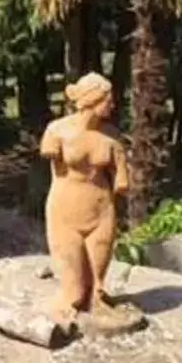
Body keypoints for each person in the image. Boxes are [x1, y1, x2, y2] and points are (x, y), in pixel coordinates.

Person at [39, 72, 132, 331]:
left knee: (96, 290)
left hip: (101, 213)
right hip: (64, 214)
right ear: (93, 99)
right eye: (108, 100)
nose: (113, 105)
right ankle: (68, 304)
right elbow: (48, 154)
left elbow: (122, 182)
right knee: (74, 292)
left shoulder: (112, 138)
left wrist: (121, 172)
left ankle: (97, 301)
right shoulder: (56, 131)